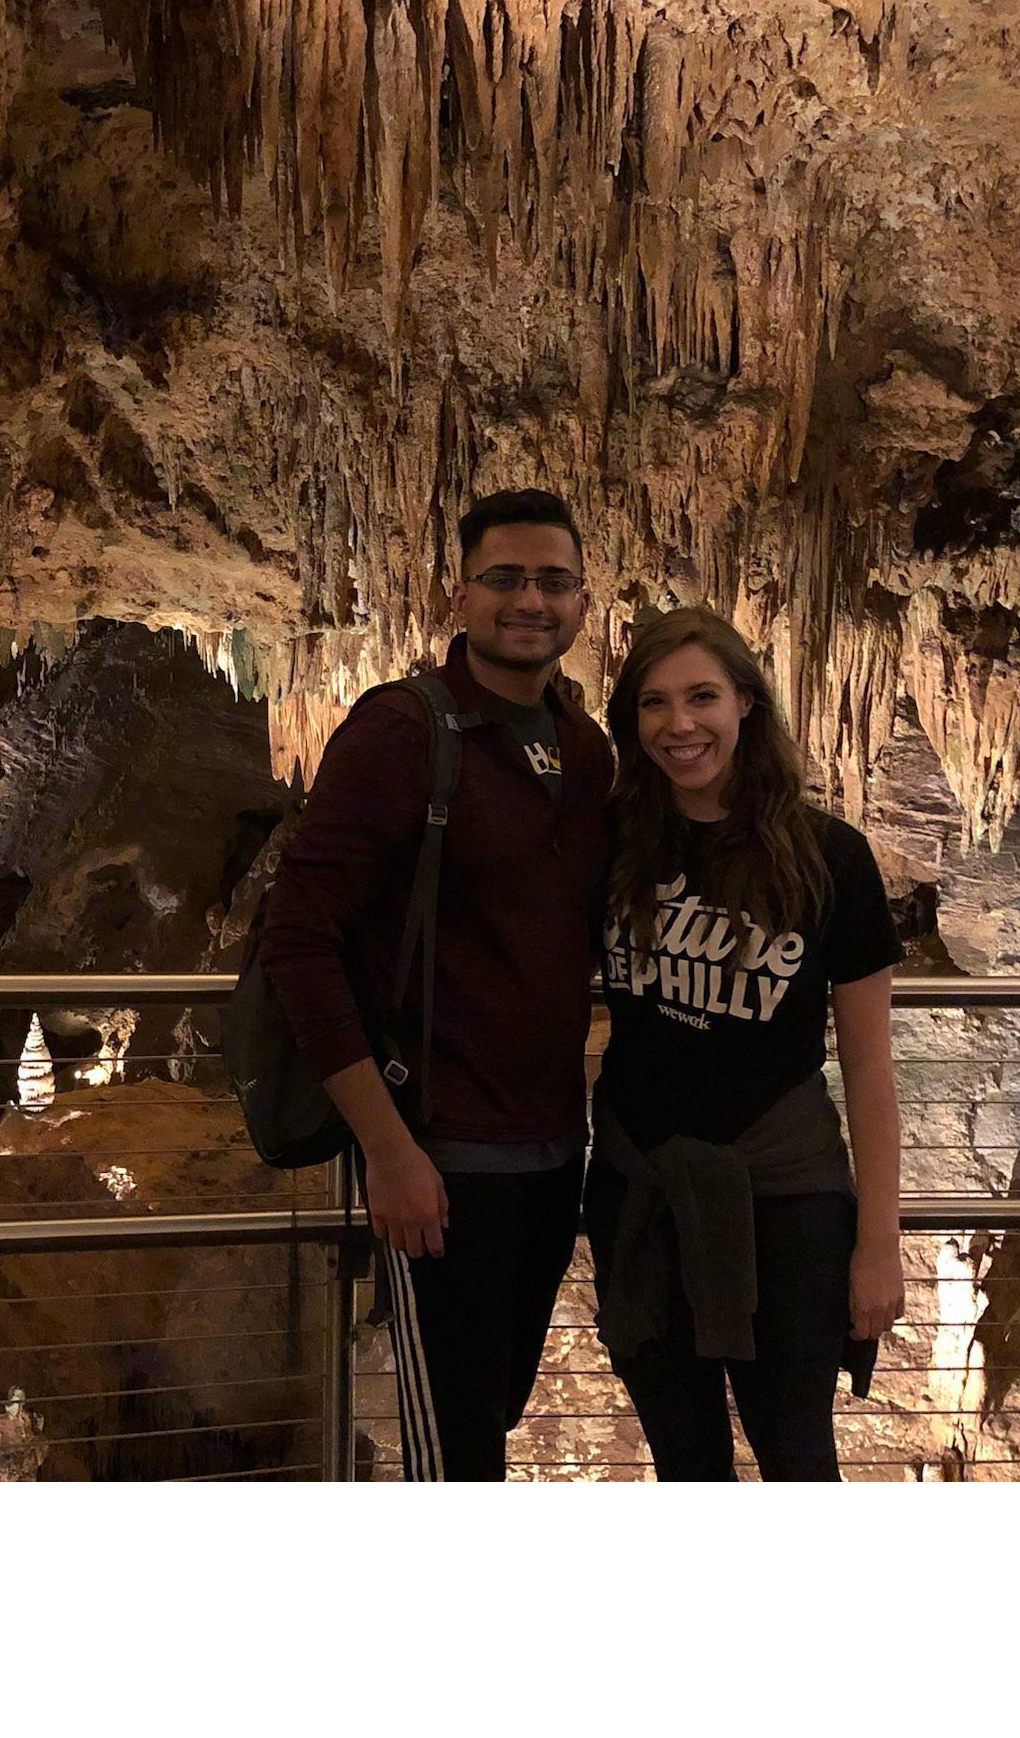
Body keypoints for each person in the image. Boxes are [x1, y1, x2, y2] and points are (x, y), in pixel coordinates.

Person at [260, 489, 613, 1480]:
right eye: (503, 577)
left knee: (492, 1413)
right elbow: (299, 938)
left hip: (550, 1154)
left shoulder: (581, 750)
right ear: (457, 594)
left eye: (552, 579)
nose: (528, 599)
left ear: (583, 600)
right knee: (453, 1456)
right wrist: (388, 1146)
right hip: (438, 1157)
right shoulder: (400, 731)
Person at [586, 605, 904, 1481]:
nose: (679, 725)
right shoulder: (612, 844)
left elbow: (871, 1075)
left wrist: (879, 1241)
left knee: (797, 1455)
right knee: (685, 1461)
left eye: (701, 697)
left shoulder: (829, 858)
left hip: (786, 1196)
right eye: (653, 704)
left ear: (747, 708)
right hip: (637, 1189)